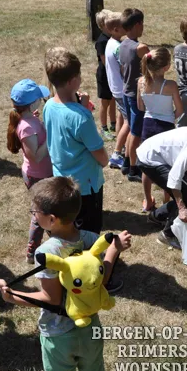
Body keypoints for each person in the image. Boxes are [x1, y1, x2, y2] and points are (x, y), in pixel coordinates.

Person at [0, 176, 132, 371]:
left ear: (51, 219)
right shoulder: (91, 239)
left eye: (35, 212)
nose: (33, 216)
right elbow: (99, 282)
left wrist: (11, 296)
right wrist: (113, 250)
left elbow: (52, 299)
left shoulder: (48, 252)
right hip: (90, 327)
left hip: (58, 334)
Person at [42, 48, 108, 234]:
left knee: (69, 229)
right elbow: (100, 155)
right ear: (73, 81)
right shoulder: (82, 117)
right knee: (89, 230)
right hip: (86, 186)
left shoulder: (48, 106)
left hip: (61, 181)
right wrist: (84, 110)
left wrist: (81, 107)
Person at [7, 79, 53, 264]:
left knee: (44, 211)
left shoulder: (29, 119)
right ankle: (31, 252)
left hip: (42, 175)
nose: (41, 101)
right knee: (40, 214)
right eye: (39, 98)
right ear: (32, 102)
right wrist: (50, 135)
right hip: (38, 176)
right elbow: (35, 156)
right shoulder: (26, 127)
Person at [137, 48, 183, 213]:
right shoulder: (170, 85)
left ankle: (147, 200)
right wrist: (171, 116)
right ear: (166, 67)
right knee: (167, 167)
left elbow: (140, 106)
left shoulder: (141, 82)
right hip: (166, 128)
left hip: (147, 125)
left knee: (147, 164)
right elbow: (180, 109)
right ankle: (166, 201)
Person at [118, 8, 150, 183]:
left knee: (131, 128)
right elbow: (152, 66)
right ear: (138, 24)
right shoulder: (140, 48)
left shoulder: (122, 44)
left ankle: (125, 162)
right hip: (136, 95)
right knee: (136, 133)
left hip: (125, 91)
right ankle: (133, 169)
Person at [104, 12, 129, 169]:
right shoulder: (118, 48)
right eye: (123, 26)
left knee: (121, 118)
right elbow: (124, 68)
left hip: (116, 89)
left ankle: (124, 147)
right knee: (130, 123)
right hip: (122, 90)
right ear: (115, 29)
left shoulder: (110, 43)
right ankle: (116, 154)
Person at [94, 10, 116, 141]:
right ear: (104, 24)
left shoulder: (112, 39)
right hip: (104, 75)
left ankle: (113, 123)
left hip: (112, 74)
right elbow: (104, 60)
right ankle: (103, 127)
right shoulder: (102, 41)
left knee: (113, 99)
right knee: (105, 101)